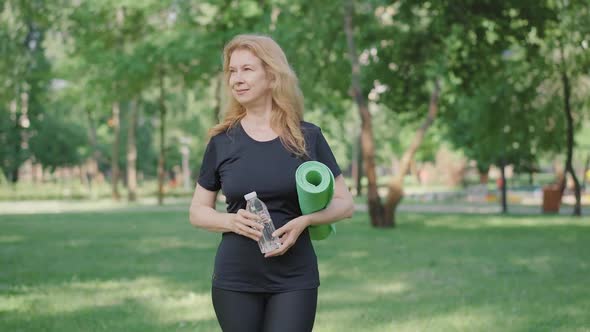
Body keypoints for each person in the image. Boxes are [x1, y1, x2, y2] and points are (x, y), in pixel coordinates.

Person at [189, 34, 355, 332]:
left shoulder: (308, 137)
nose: (236, 79)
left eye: (247, 69)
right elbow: (198, 211)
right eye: (232, 71)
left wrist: (305, 220)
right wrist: (231, 221)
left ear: (272, 75)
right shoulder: (222, 140)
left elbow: (345, 205)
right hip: (235, 279)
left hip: (295, 278)